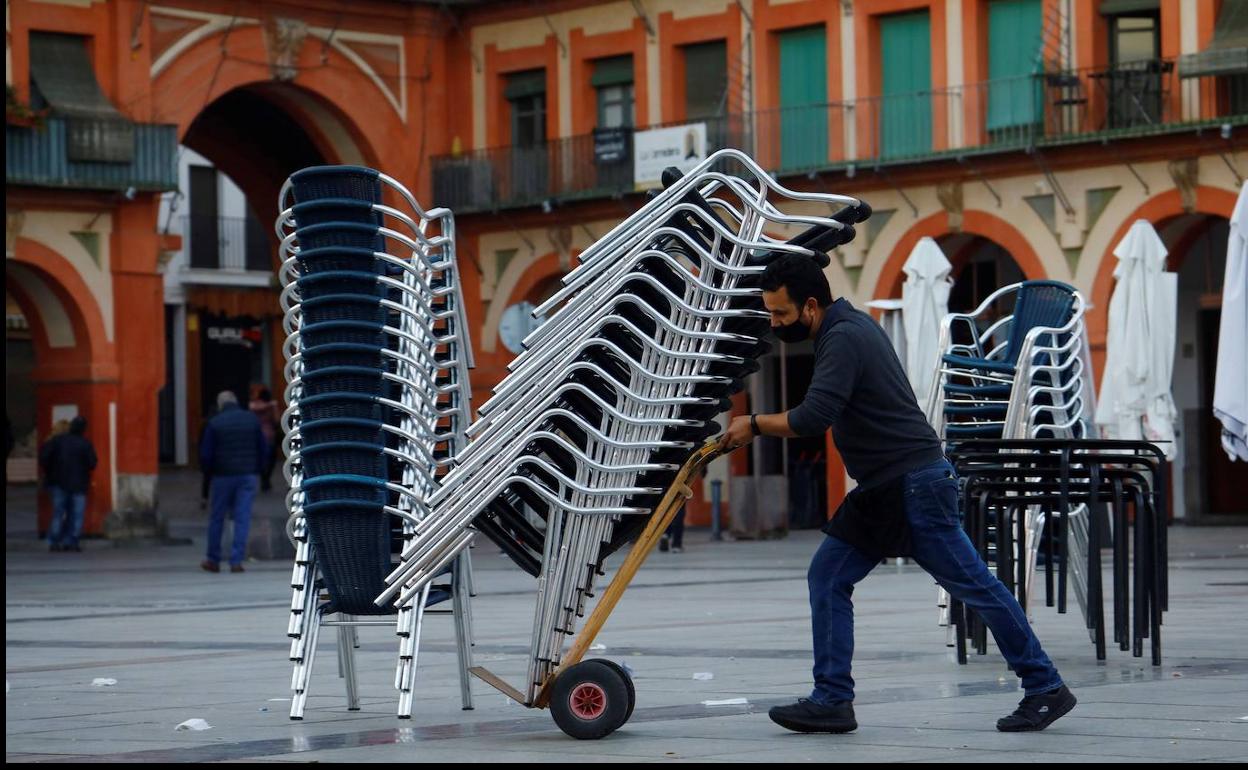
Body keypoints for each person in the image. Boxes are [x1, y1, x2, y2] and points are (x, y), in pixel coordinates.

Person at [719, 254, 1075, 735]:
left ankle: (1045, 686)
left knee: (976, 588)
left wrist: (755, 424)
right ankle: (832, 700)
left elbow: (813, 417)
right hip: (885, 488)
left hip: (914, 485)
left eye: (780, 314)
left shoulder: (843, 336)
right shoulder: (840, 330)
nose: (774, 322)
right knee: (827, 576)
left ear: (808, 306)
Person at [200, 390, 266, 574]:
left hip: (222, 476)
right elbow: (263, 448)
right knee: (242, 518)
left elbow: (206, 455)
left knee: (217, 518)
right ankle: (236, 560)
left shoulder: (214, 423)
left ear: (220, 405)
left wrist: (209, 473)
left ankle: (213, 559)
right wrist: (258, 470)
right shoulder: (251, 420)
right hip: (247, 475)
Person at [38, 417, 97, 552]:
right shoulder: (85, 443)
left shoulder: (57, 441)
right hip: (79, 483)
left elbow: (44, 458)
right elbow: (92, 462)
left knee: (58, 512)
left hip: (58, 482)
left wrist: (51, 471)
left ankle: (54, 541)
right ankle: (72, 541)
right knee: (76, 514)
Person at [249, 387, 281, 492]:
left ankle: (264, 478)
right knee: (271, 458)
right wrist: (272, 406)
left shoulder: (254, 405)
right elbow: (277, 420)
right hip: (269, 434)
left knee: (262, 458)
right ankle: (266, 479)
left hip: (256, 435)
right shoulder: (271, 406)